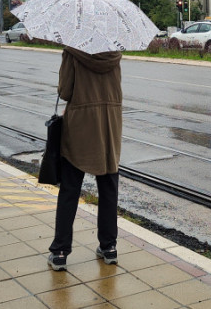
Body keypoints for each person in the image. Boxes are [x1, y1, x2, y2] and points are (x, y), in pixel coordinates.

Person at [47, 46, 123, 271]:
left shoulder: (72, 51)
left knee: (70, 189)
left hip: (80, 122)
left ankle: (60, 252)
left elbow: (65, 92)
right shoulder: (114, 53)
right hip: (109, 123)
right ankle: (109, 247)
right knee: (109, 186)